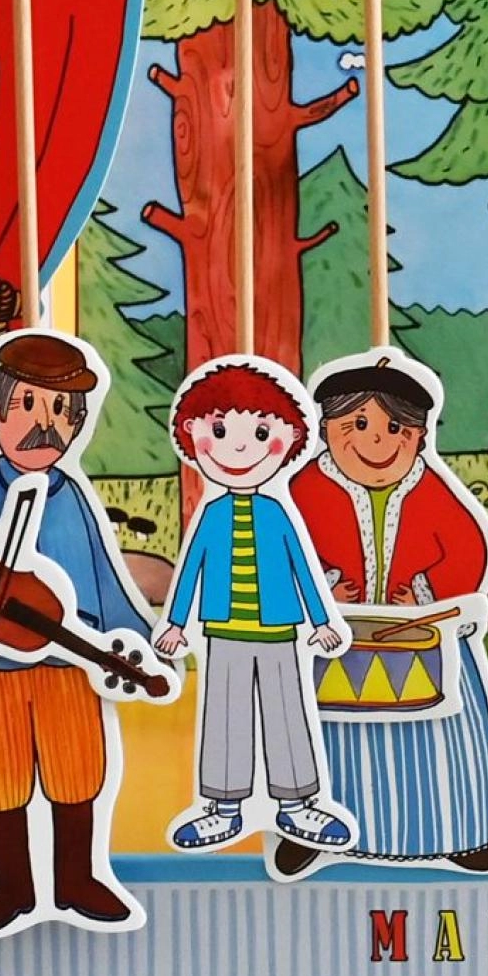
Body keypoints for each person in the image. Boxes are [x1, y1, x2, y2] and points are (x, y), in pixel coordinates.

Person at [0, 331, 152, 935]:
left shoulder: (73, 497)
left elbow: (104, 576)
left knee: (77, 770)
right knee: (0, 775)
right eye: (27, 405)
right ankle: (10, 885)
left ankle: (77, 879)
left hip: (70, 663)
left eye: (61, 412)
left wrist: (133, 639)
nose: (45, 425)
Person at [282, 353, 488, 877]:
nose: (377, 442)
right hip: (328, 642)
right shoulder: (303, 492)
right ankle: (308, 835)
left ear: (419, 436)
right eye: (358, 425)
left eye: (396, 429)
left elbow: (469, 552)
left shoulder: (433, 490)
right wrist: (322, 590)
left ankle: (458, 832)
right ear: (328, 429)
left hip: (424, 639)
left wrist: (427, 598)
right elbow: (283, 554)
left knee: (444, 746)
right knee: (320, 746)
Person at [158, 359, 352, 855]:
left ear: (287, 441)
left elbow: (302, 569)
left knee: (287, 713)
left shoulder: (276, 513)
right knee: (224, 716)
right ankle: (222, 808)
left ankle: (298, 803)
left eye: (261, 433)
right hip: (222, 633)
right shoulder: (211, 515)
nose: (239, 448)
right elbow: (191, 569)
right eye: (220, 431)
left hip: (280, 632)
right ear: (193, 436)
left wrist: (322, 620)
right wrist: (175, 624)